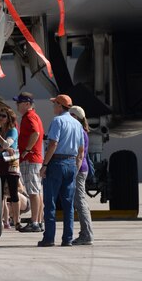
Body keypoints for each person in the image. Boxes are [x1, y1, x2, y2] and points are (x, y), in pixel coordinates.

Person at [37, 94, 84, 248]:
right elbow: (81, 150)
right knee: (68, 205)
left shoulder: (57, 121)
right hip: (71, 163)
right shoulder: (77, 124)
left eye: (54, 104)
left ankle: (49, 238)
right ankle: (67, 238)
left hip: (56, 163)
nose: (53, 107)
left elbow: (53, 144)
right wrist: (76, 167)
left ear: (59, 105)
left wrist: (45, 164)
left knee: (50, 202)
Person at [14, 91, 44, 232]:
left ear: (27, 104)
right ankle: (38, 220)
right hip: (35, 158)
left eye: (19, 103)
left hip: (30, 158)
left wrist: (26, 150)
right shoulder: (34, 116)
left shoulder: (29, 117)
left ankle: (35, 222)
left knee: (33, 191)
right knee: (37, 190)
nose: (17, 105)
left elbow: (35, 133)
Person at [0, 102, 21, 230]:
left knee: (13, 193)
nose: (0, 118)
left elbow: (7, 145)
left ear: (9, 118)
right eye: (0, 115)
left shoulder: (12, 131)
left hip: (11, 163)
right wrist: (2, 148)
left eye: (3, 116)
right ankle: (2, 220)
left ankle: (17, 220)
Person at [68, 105, 93, 246]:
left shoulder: (80, 132)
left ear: (75, 117)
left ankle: (87, 234)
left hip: (79, 170)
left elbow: (80, 154)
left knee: (80, 202)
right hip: (81, 169)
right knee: (80, 201)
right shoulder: (82, 131)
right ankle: (86, 233)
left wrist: (74, 171)